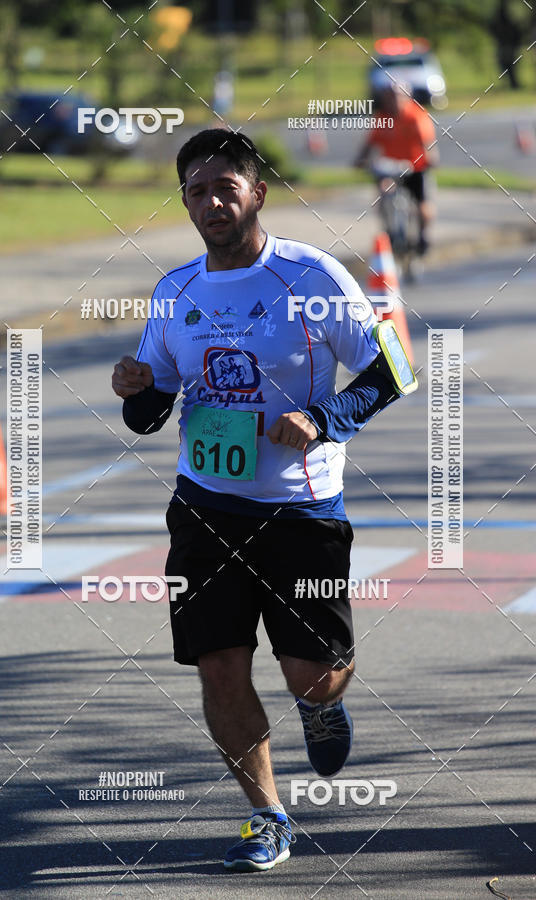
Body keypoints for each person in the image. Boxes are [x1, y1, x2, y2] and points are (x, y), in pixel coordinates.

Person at [112, 128, 408, 871]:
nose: (211, 203)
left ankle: (323, 702)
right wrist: (138, 394)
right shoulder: (175, 291)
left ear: (257, 194)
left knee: (311, 672)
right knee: (219, 665)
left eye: (226, 188)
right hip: (205, 508)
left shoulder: (311, 278)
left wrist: (325, 419)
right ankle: (266, 814)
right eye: (197, 191)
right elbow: (154, 407)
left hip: (300, 510)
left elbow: (391, 371)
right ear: (183, 200)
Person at [355, 81, 438, 255]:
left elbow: (427, 142)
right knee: (384, 192)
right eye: (389, 97)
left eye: (397, 97)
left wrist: (431, 157)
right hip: (390, 169)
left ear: (406, 97)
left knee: (423, 202)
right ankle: (389, 229)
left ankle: (423, 235)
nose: (393, 101)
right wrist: (360, 160)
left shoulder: (416, 115)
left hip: (415, 167)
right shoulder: (382, 118)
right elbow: (370, 143)